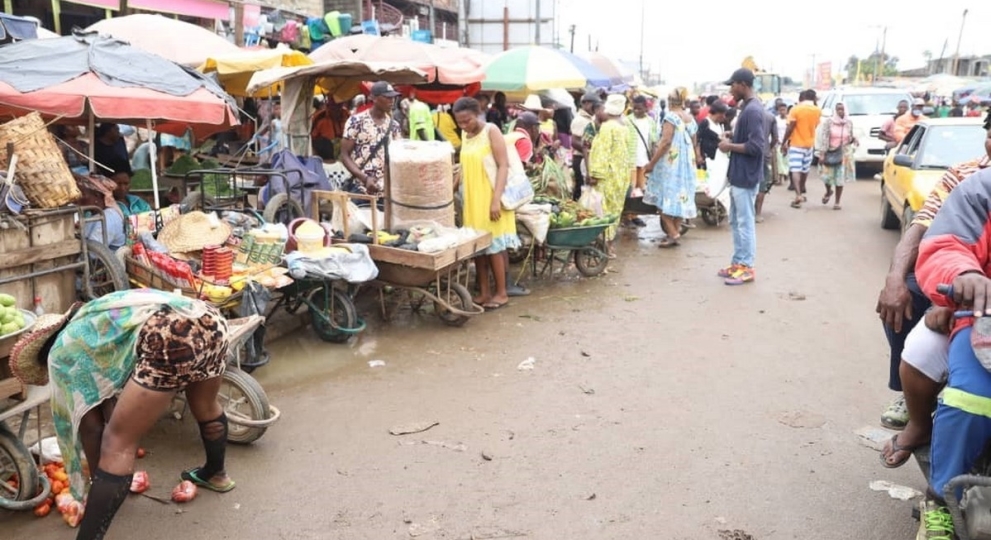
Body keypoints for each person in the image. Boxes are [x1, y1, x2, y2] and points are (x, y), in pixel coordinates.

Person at [8, 289, 238, 540]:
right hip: (209, 319)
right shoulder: (95, 318)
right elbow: (110, 397)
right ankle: (216, 474)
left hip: (168, 335)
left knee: (117, 446)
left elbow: (92, 426)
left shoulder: (62, 354)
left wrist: (100, 482)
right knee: (206, 406)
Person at [876, 109, 991, 450]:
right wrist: (895, 278)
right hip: (961, 283)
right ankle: (914, 404)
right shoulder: (964, 175)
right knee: (904, 298)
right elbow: (922, 228)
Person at [912, 165, 991, 539]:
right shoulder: (981, 189)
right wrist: (965, 273)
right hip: (985, 322)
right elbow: (946, 244)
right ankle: (939, 499)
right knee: (970, 398)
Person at [452, 97, 520, 311]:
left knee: (494, 247)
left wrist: (495, 200)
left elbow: (503, 166)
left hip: (491, 197)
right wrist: (452, 189)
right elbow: (463, 166)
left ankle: (501, 293)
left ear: (478, 112)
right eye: (460, 122)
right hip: (471, 199)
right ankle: (484, 292)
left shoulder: (491, 131)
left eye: (468, 120)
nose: (464, 125)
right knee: (478, 248)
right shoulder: (465, 134)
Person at [717, 68, 765, 286]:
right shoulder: (746, 108)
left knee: (745, 222)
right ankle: (738, 263)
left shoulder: (754, 110)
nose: (730, 89)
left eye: (732, 84)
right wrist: (732, 137)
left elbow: (757, 146)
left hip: (746, 176)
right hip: (738, 175)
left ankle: (747, 267)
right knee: (736, 221)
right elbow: (747, 139)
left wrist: (730, 146)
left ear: (743, 84)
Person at [644, 87, 699, 247]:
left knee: (662, 198)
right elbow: (694, 142)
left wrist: (651, 163)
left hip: (670, 165)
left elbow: (665, 143)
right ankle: (673, 233)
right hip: (687, 164)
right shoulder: (690, 118)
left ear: (669, 101)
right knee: (681, 197)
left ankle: (673, 232)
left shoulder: (670, 117)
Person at [587, 95, 632, 256]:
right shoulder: (625, 128)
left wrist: (594, 174)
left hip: (607, 176)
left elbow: (601, 152)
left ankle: (604, 245)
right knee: (615, 211)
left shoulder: (607, 128)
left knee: (603, 210)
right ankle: (609, 244)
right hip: (621, 176)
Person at [341, 82, 403, 195]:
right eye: (387, 97)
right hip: (360, 188)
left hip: (386, 191)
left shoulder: (394, 126)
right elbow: (344, 155)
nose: (392, 100)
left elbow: (398, 158)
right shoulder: (356, 121)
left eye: (393, 97)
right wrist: (364, 178)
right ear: (373, 98)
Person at [781, 90, 821, 209]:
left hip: (796, 143)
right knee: (805, 169)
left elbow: (790, 128)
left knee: (795, 169)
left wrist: (784, 142)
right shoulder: (817, 110)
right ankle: (802, 189)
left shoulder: (795, 109)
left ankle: (798, 194)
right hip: (809, 144)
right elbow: (815, 125)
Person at [815, 102, 857, 210]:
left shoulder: (849, 123)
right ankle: (828, 191)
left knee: (840, 178)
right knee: (827, 177)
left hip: (843, 153)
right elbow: (824, 138)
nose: (840, 111)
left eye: (842, 109)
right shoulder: (829, 122)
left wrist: (854, 139)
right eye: (838, 109)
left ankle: (837, 202)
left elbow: (850, 137)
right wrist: (822, 154)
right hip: (830, 151)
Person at [76, 174, 127, 252]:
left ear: (97, 195)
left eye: (82, 194)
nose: (78, 198)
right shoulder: (94, 214)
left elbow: (94, 253)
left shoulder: (109, 217)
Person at [570, 92, 601, 201]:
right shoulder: (580, 120)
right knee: (581, 188)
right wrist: (591, 149)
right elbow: (574, 141)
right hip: (581, 158)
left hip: (586, 158)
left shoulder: (590, 119)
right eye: (595, 105)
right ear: (586, 104)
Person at [629, 95, 659, 200]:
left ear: (646, 108)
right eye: (634, 108)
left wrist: (654, 161)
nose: (636, 111)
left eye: (639, 108)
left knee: (641, 189)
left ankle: (636, 213)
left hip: (644, 160)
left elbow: (654, 141)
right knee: (631, 188)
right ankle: (629, 215)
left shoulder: (651, 122)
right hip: (630, 160)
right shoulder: (628, 121)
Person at [755, 107, 779, 223]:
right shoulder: (770, 117)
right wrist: (768, 147)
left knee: (749, 183)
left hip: (748, 153)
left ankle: (748, 211)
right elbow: (775, 138)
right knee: (761, 184)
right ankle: (758, 213)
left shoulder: (746, 115)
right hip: (764, 153)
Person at [773, 103, 790, 185]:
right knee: (779, 160)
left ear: (787, 110)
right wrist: (777, 140)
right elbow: (774, 131)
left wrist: (787, 142)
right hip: (779, 142)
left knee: (786, 160)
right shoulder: (776, 119)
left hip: (788, 143)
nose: (782, 112)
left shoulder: (790, 119)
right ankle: (780, 178)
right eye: (781, 110)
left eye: (784, 110)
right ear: (778, 111)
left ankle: (786, 173)